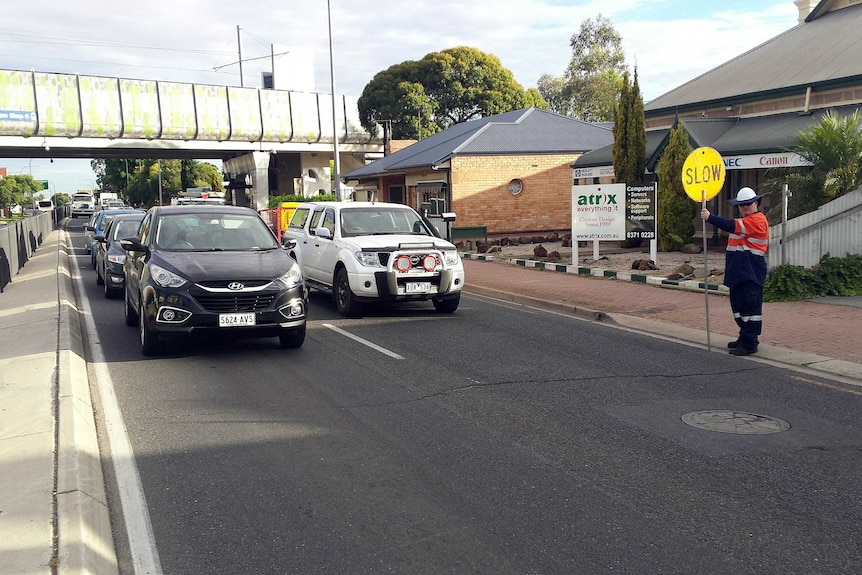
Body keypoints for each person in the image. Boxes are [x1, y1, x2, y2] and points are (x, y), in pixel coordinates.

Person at [700, 187, 769, 356]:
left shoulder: (757, 220)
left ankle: (750, 342)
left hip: (750, 272)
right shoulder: (745, 221)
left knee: (750, 310)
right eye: (741, 205)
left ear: (756, 203)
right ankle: (744, 336)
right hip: (739, 272)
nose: (744, 207)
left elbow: (730, 225)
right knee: (739, 308)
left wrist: (710, 217)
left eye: (747, 204)